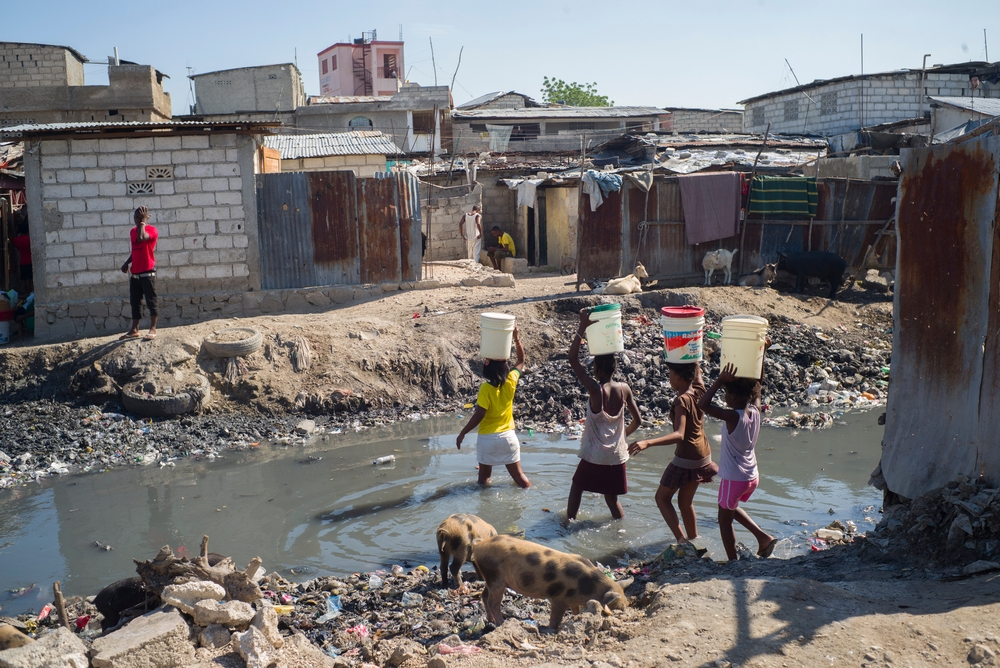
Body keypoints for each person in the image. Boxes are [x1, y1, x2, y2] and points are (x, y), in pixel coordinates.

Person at [699, 356, 777, 561]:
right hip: (751, 476)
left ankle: (733, 562)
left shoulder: (734, 416)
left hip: (733, 478)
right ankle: (763, 538)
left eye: (726, 393)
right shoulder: (755, 411)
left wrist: (719, 381)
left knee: (724, 521)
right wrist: (760, 356)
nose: (725, 397)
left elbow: (703, 405)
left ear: (732, 397)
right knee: (730, 508)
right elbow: (757, 388)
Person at [628, 361, 716, 544]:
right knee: (685, 502)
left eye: (670, 375)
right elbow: (698, 373)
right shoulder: (699, 390)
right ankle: (695, 540)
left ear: (677, 377)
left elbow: (679, 435)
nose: (669, 380)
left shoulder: (681, 400)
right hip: (703, 454)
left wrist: (647, 442)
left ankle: (682, 542)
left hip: (688, 456)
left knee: (661, 498)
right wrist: (694, 356)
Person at [566, 308, 641, 520]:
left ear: (598, 371)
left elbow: (573, 360)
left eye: (594, 368)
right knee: (611, 499)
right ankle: (621, 528)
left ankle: (568, 524)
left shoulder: (596, 390)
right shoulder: (624, 389)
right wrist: (622, 437)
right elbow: (639, 420)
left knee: (577, 487)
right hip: (617, 456)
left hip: (595, 454)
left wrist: (582, 327)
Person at [456, 326, 531, 488]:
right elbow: (521, 361)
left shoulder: (485, 388)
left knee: (483, 481)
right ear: (505, 369)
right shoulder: (511, 381)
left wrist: (463, 432)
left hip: (488, 439)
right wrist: (516, 339)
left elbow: (480, 414)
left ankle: (484, 511)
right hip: (508, 438)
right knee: (521, 480)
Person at [120, 206, 159, 341]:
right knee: (135, 302)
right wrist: (127, 262)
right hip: (135, 273)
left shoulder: (152, 230)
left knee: (151, 300)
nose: (137, 220)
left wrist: (143, 223)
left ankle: (152, 328)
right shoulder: (132, 231)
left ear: (146, 217)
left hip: (147, 272)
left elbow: (142, 238)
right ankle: (134, 329)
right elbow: (135, 250)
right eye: (136, 217)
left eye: (140, 217)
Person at [11, 222, 32, 295]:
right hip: (31, 260)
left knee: (26, 279)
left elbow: (18, 249)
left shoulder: (16, 240)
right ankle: (31, 294)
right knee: (31, 278)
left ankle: (28, 293)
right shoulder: (29, 239)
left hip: (22, 261)